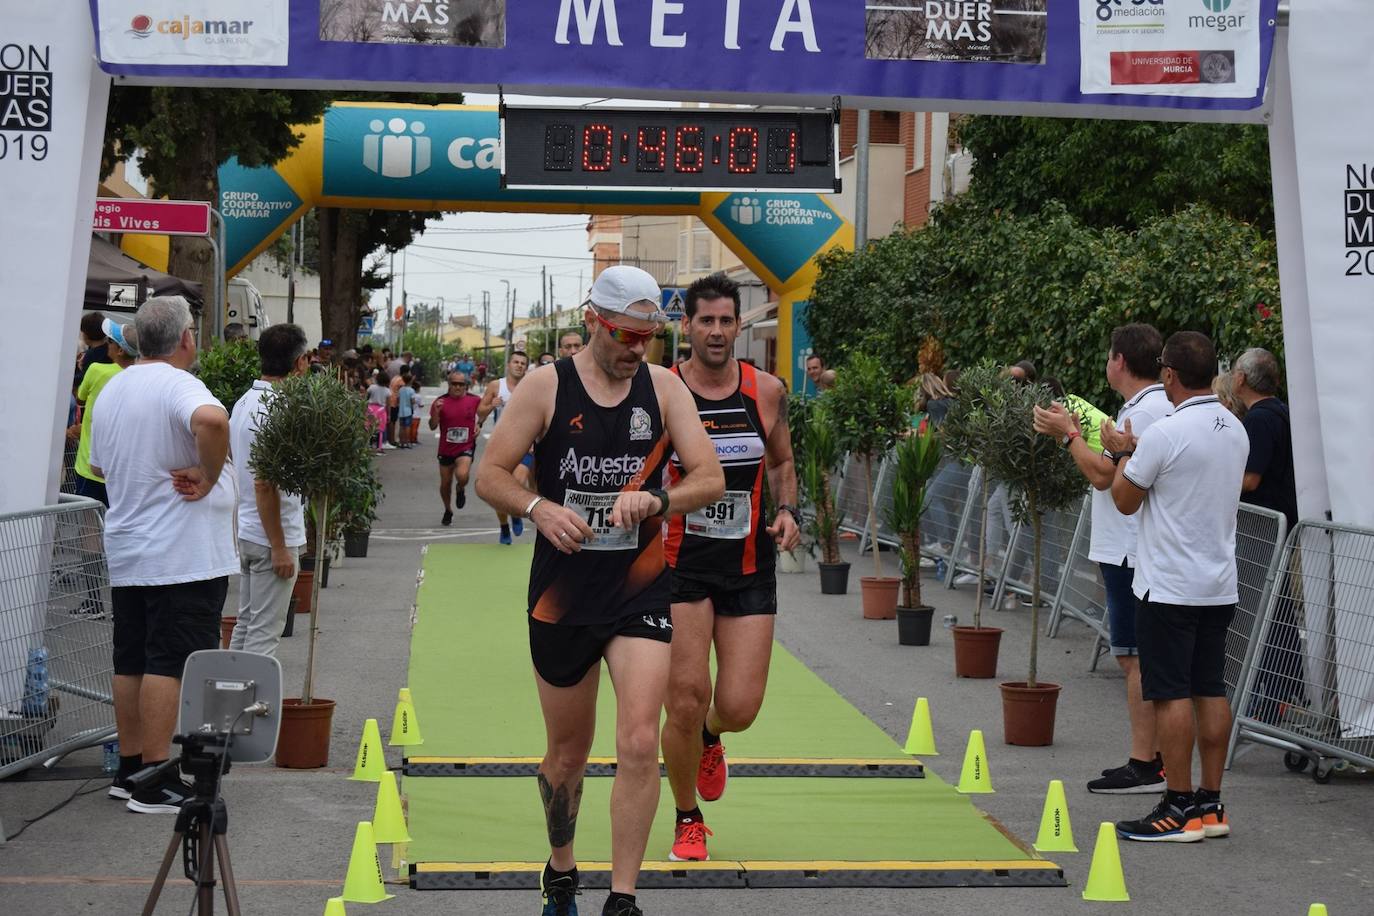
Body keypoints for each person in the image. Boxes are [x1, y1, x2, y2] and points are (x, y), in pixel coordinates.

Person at [475, 265, 724, 916]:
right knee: (567, 753)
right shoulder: (544, 387)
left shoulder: (665, 389)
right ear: (592, 321)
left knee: (640, 739)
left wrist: (660, 499)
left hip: (637, 588)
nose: (637, 349)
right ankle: (561, 870)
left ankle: (623, 897)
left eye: (648, 337)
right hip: (562, 594)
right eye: (625, 335)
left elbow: (711, 479)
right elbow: (490, 475)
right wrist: (538, 509)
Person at [660, 273, 800, 863]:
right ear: (686, 325)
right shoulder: (662, 390)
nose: (716, 332)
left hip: (747, 564)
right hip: (677, 564)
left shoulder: (765, 390)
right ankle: (686, 817)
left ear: (738, 326)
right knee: (685, 699)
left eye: (726, 321)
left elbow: (783, 460)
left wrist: (790, 509)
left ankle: (712, 739)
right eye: (705, 321)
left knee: (738, 706)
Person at [88, 296, 236, 814]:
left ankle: (130, 770)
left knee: (132, 659)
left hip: (130, 545)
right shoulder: (179, 384)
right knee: (169, 661)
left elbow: (101, 467)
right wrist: (210, 473)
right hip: (180, 553)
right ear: (186, 338)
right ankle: (155, 777)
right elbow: (213, 423)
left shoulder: (112, 390)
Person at [1107, 330, 1249, 843]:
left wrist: (1122, 451)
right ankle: (1211, 804)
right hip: (1217, 581)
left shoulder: (1167, 432)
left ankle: (1177, 805)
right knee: (1209, 688)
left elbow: (1125, 500)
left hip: (1169, 583)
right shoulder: (1235, 428)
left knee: (1168, 695)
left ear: (1168, 374)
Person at [1033, 324, 1173, 795]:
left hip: (1132, 549)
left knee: (1137, 659)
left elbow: (1102, 476)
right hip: (1127, 547)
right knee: (1133, 658)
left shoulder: (1149, 411)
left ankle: (1148, 764)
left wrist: (1069, 433)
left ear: (1119, 361)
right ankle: (1148, 759)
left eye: (1109, 355)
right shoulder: (1144, 407)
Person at [1230, 347, 1305, 722]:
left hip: (1268, 527)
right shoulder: (1280, 412)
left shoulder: (1260, 419)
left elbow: (1250, 478)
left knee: (1269, 612)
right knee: (1277, 610)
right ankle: (1284, 688)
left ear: (1241, 378)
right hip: (1279, 524)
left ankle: (1274, 692)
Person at [229, 323, 310, 658]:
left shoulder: (245, 401)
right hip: (270, 535)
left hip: (248, 528)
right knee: (263, 636)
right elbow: (265, 482)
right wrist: (279, 546)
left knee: (246, 625)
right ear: (300, 362)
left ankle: (231, 704)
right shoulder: (279, 409)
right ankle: (248, 710)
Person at [73, 319, 139, 509]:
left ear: (120, 350)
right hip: (122, 470)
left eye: (110, 341)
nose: (106, 344)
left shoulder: (96, 370)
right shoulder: (141, 377)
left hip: (89, 465)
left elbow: (80, 397)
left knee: (90, 525)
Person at [478, 350, 531, 545]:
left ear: (526, 367)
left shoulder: (531, 386)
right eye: (516, 362)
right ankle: (504, 526)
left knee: (517, 482)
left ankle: (514, 512)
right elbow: (480, 411)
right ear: (509, 365)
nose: (519, 366)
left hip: (526, 444)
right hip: (501, 444)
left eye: (523, 363)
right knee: (499, 489)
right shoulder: (496, 386)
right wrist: (491, 405)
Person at [430, 370, 481, 525]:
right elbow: (432, 426)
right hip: (446, 449)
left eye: (461, 384)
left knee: (463, 474)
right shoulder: (440, 402)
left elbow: (483, 413)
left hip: (465, 446)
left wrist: (479, 424)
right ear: (449, 384)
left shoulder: (474, 400)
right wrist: (436, 414)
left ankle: (460, 488)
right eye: (454, 384)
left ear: (466, 385)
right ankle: (448, 509)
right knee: (445, 483)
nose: (458, 387)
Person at [75, 310, 112, 391]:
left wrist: (78, 370)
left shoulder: (90, 355)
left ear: (86, 335)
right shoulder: (111, 348)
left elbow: (84, 379)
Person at [366, 371, 391, 452]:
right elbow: (388, 404)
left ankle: (368, 446)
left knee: (369, 427)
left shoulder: (372, 387)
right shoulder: (387, 391)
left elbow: (367, 397)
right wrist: (389, 415)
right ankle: (379, 447)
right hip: (381, 410)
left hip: (370, 409)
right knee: (380, 430)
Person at [396, 369, 416, 448]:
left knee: (401, 426)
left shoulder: (401, 389)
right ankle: (407, 442)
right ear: (411, 381)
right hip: (408, 411)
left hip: (401, 411)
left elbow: (398, 399)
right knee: (407, 426)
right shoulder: (411, 390)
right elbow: (413, 401)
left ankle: (401, 442)